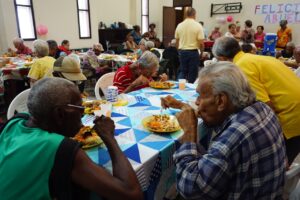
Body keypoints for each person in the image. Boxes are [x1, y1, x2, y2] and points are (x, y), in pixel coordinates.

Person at [0, 78, 143, 199]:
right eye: (80, 109)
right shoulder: (59, 147)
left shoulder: (14, 123)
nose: (83, 115)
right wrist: (109, 138)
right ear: (60, 114)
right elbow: (131, 194)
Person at [161, 62, 286, 199]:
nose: (196, 102)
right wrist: (182, 105)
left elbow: (190, 189)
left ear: (221, 101)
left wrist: (189, 134)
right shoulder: (262, 108)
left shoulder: (235, 136)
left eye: (200, 96)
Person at [212, 36, 300, 164]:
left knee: (276, 164)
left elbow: (267, 108)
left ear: (222, 59)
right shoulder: (257, 58)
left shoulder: (241, 67)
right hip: (295, 111)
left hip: (291, 119)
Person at [175, 7, 204, 83]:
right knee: (193, 73)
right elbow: (201, 43)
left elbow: (177, 41)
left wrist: (179, 51)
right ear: (194, 14)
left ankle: (179, 88)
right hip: (193, 52)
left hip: (182, 51)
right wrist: (201, 53)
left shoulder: (179, 25)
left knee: (182, 71)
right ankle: (190, 91)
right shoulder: (198, 25)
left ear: (186, 14)